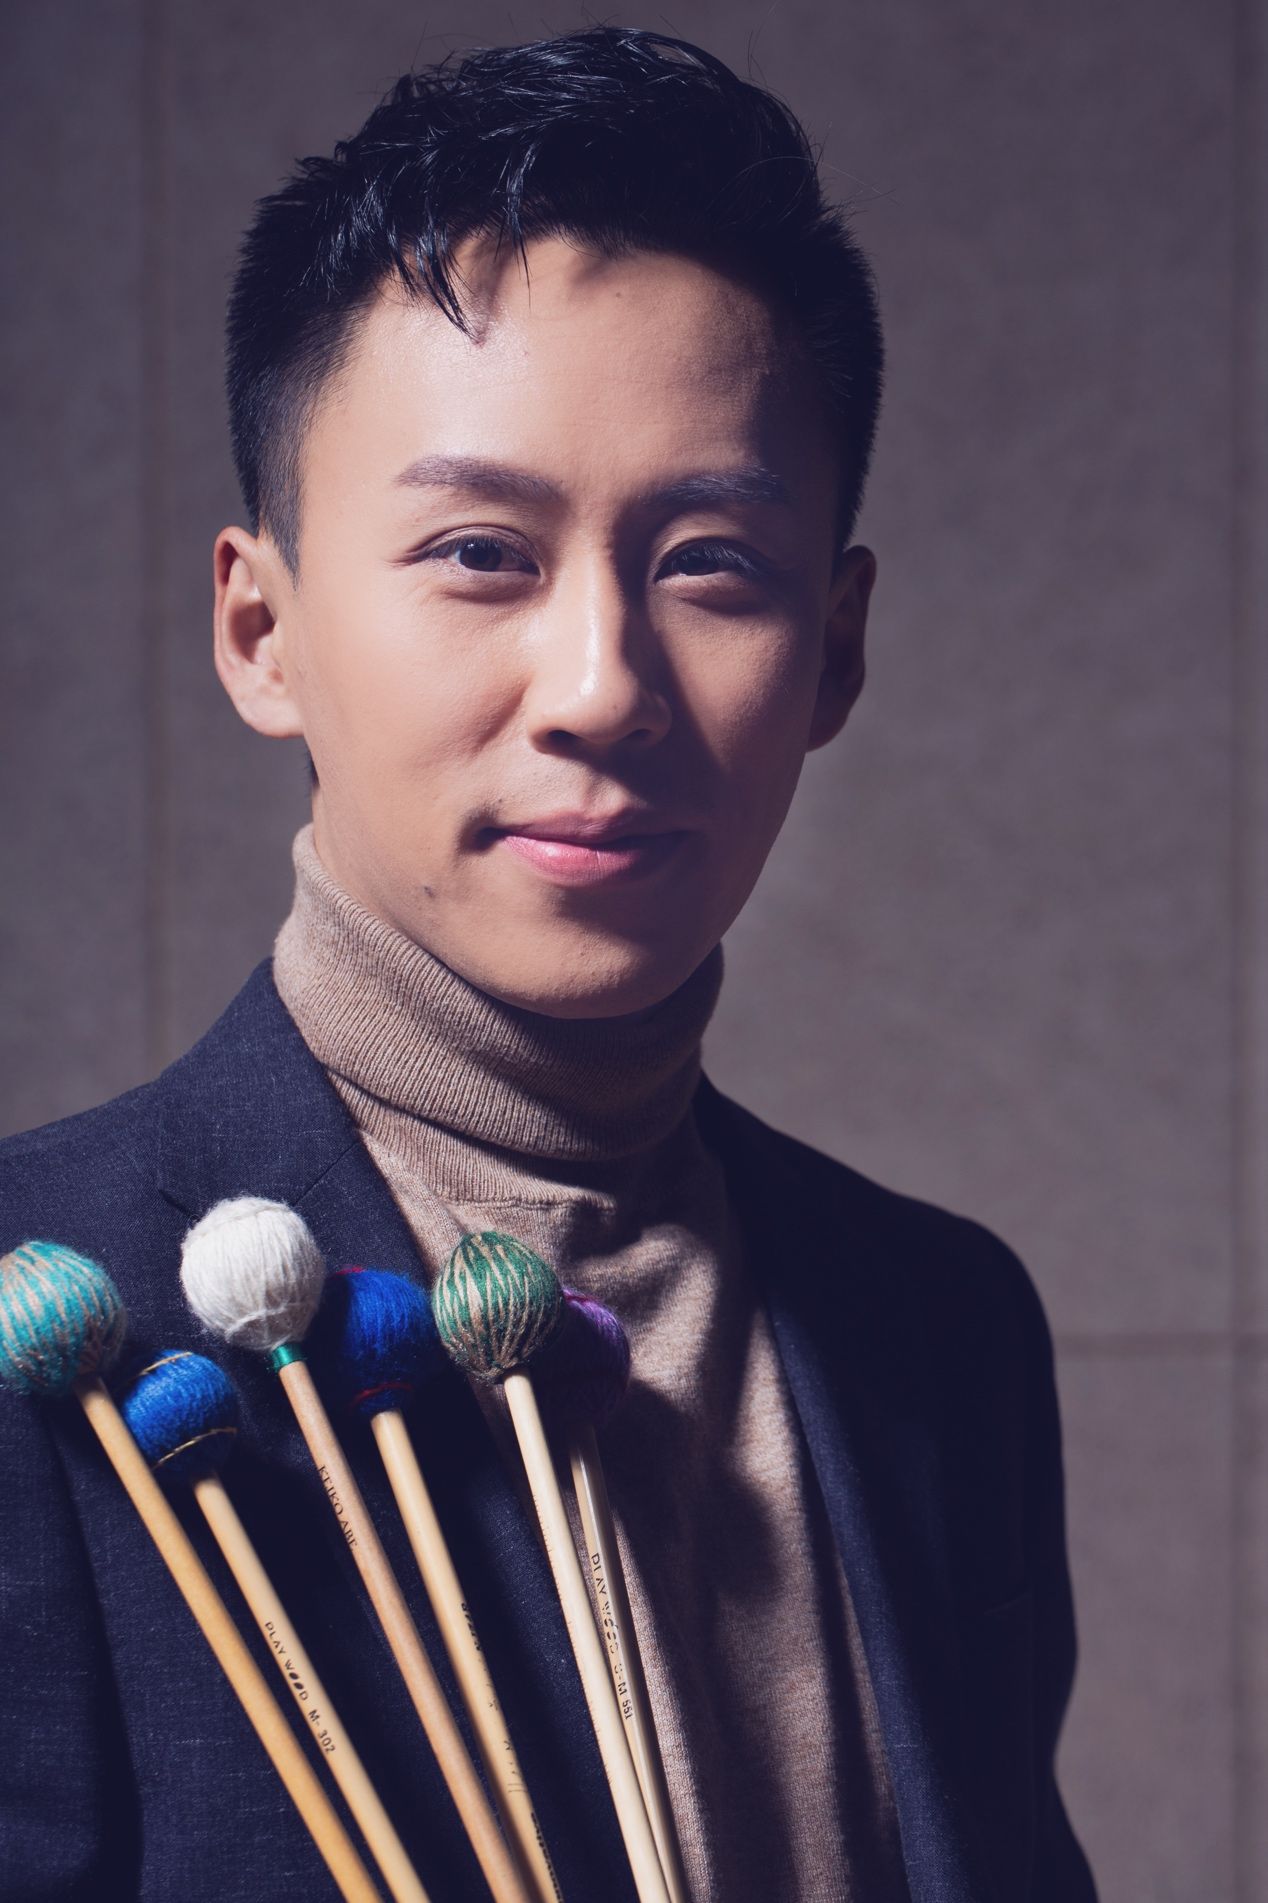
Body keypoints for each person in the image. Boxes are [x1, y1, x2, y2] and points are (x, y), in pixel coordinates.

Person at [0, 26, 1097, 1902]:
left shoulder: (944, 1331)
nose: (601, 687)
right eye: (478, 553)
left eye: (713, 564)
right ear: (262, 632)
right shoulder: (50, 1326)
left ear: (834, 653)